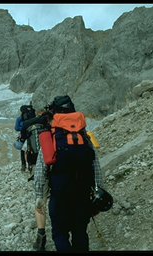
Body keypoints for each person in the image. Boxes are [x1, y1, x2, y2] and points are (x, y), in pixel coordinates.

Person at [33, 96, 105, 252]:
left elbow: (40, 172)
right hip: (83, 196)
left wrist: (40, 196)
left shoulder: (51, 137)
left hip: (60, 198)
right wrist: (99, 192)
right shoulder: (84, 135)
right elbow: (96, 166)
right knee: (80, 233)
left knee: (60, 234)